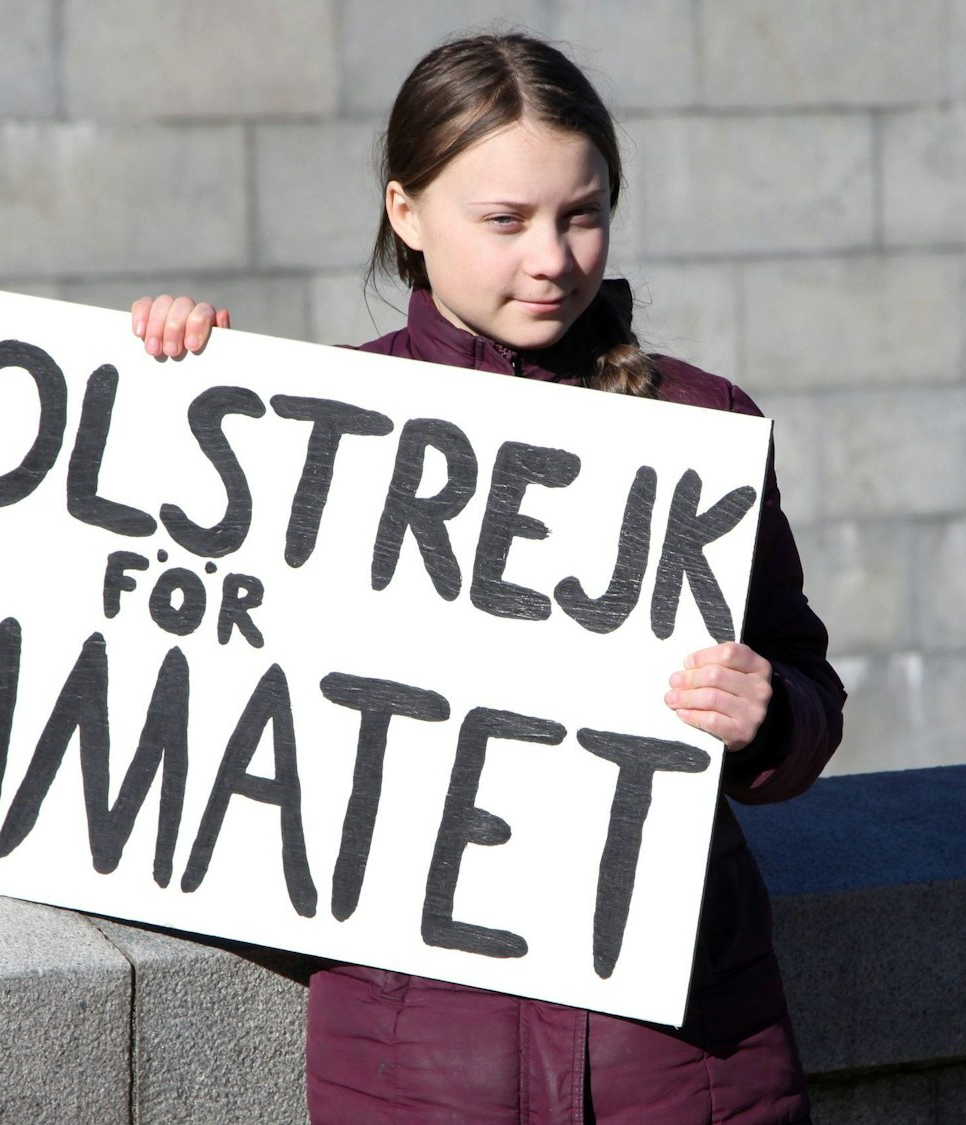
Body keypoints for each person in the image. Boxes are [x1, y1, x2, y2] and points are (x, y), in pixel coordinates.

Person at [132, 32, 844, 1125]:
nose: (552, 257)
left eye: (581, 214)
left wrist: (769, 715)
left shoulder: (701, 424)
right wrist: (164, 383)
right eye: (505, 221)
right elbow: (163, 653)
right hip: (414, 1068)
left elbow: (804, 684)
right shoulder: (318, 422)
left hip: (690, 1058)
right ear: (407, 213)